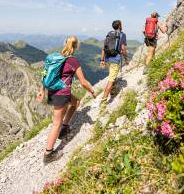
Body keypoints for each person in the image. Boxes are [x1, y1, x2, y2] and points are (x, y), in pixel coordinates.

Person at [36, 36, 96, 164]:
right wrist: (92, 91)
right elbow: (83, 82)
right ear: (76, 46)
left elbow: (45, 74)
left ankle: (65, 128)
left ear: (65, 44)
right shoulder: (73, 61)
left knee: (76, 102)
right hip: (61, 94)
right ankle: (48, 154)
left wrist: (42, 90)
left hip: (55, 92)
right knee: (56, 123)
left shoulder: (56, 57)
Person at [100, 20, 128, 108]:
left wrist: (102, 60)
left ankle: (113, 91)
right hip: (115, 59)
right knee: (111, 79)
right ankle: (103, 101)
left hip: (108, 58)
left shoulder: (109, 34)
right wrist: (126, 59)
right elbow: (123, 48)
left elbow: (104, 48)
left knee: (113, 75)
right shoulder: (122, 35)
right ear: (119, 26)